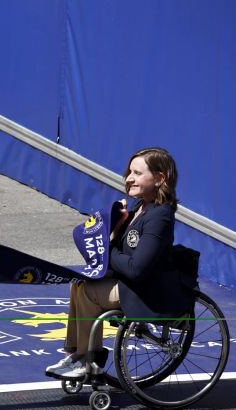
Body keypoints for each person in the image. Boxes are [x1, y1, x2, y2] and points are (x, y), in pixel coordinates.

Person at [46, 147, 192, 379]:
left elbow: (137, 269)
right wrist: (116, 225)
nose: (129, 178)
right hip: (132, 283)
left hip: (148, 291)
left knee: (88, 291)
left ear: (159, 178)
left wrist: (109, 247)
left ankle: (87, 359)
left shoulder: (159, 216)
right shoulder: (138, 208)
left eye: (137, 173)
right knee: (79, 283)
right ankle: (78, 354)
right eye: (129, 172)